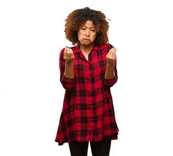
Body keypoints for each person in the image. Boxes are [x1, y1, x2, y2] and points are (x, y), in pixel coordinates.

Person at [55, 7, 118, 156]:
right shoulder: (67, 53)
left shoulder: (106, 50)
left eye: (92, 30)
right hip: (77, 115)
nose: (87, 33)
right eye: (84, 28)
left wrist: (110, 63)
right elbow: (67, 85)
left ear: (98, 32)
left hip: (102, 115)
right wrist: (69, 63)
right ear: (76, 30)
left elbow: (110, 82)